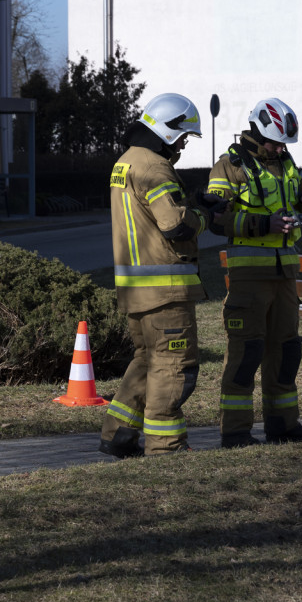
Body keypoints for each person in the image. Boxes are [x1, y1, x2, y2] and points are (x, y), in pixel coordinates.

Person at [206, 98, 302, 448]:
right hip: (249, 279)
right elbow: (217, 218)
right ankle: (237, 432)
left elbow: (295, 200)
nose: (279, 148)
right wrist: (264, 223)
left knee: (286, 352)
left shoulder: (284, 162)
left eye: (283, 143)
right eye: (274, 142)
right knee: (246, 355)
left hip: (285, 275)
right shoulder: (228, 165)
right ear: (257, 131)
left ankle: (284, 425)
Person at [99, 93, 212, 457]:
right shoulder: (154, 166)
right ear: (167, 129)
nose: (182, 145)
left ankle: (117, 434)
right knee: (175, 366)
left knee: (146, 362)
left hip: (134, 290)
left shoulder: (126, 162)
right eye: (182, 137)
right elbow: (175, 224)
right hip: (166, 291)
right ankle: (166, 445)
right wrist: (204, 217)